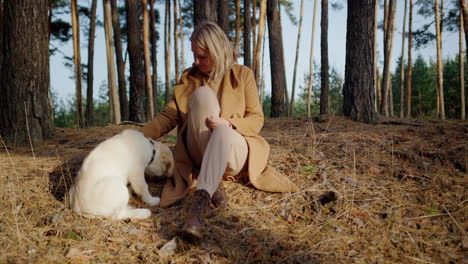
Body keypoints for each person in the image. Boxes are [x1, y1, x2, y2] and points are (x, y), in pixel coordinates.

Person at [141, 21, 299, 239]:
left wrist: (229, 124)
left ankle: (204, 193)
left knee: (223, 132)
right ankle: (205, 199)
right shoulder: (190, 78)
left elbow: (256, 119)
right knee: (202, 95)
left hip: (234, 154)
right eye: (194, 55)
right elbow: (168, 117)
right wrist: (134, 137)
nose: (196, 61)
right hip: (198, 152)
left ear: (218, 51)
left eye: (203, 56)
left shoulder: (243, 75)